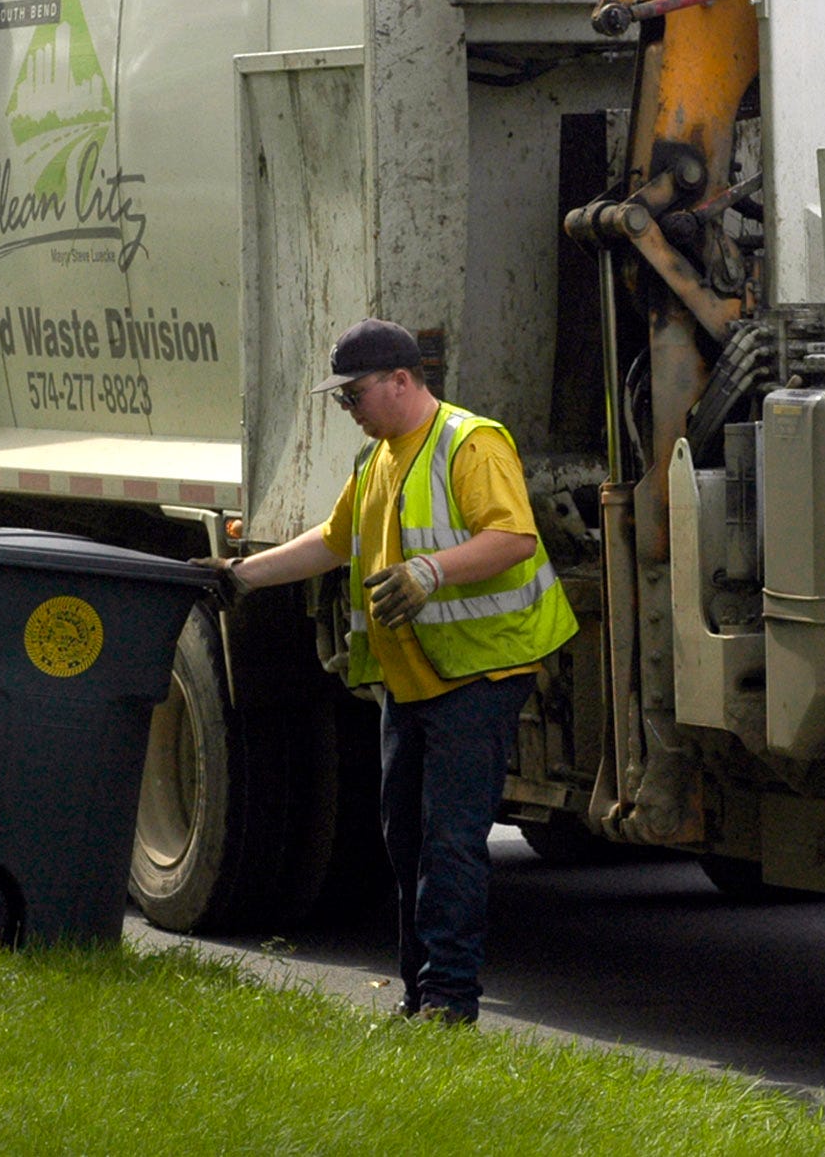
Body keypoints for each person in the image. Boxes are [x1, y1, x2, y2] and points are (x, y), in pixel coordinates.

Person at [204, 318, 578, 1024]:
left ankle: (448, 1002)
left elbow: (513, 536)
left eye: (356, 393)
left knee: (449, 840)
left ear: (402, 381)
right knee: (405, 840)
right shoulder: (377, 459)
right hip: (413, 681)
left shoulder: (471, 442)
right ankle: (419, 996)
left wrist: (431, 570)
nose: (348, 408)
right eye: (342, 398)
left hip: (481, 673)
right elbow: (334, 540)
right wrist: (241, 576)